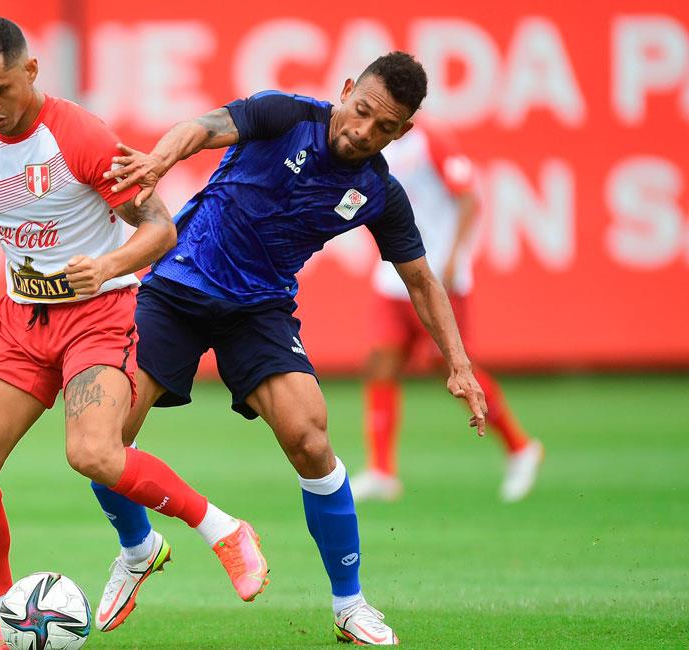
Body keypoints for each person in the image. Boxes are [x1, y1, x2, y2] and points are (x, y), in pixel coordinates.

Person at [87, 52, 488, 645]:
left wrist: (459, 365)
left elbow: (422, 280)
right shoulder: (284, 115)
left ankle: (350, 606)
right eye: (361, 112)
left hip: (259, 309)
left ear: (403, 131)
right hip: (178, 285)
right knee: (106, 434)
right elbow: (201, 128)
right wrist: (156, 162)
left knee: (311, 438)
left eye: (385, 127)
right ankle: (138, 547)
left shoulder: (378, 190)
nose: (363, 132)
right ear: (347, 90)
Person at [0, 17, 269, 650]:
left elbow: (161, 228)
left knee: (93, 454)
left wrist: (106, 267)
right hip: (21, 320)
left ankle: (224, 530)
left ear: (32, 70)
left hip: (99, 315)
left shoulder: (80, 137)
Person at [351, 122, 543, 503]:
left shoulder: (430, 144)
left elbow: (470, 195)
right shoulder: (373, 142)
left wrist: (456, 256)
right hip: (393, 275)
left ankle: (520, 447)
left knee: (447, 364)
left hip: (437, 275)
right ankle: (382, 469)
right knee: (381, 361)